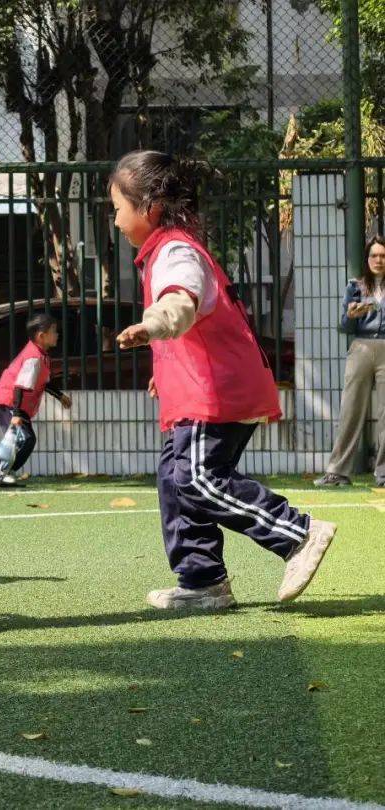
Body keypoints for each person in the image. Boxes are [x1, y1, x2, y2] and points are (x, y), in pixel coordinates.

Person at [111, 149, 336, 610]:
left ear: (150, 206)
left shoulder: (175, 250)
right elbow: (195, 328)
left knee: (197, 478)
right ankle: (202, 580)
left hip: (216, 391)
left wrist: (151, 325)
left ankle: (298, 533)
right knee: (177, 479)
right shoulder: (166, 250)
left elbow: (182, 302)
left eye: (118, 209)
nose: (115, 221)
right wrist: (165, 371)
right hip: (200, 389)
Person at [314, 235, 385, 488]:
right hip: (361, 346)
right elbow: (344, 326)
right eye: (374, 255)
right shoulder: (354, 286)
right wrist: (350, 315)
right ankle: (337, 472)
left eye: (383, 255)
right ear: (367, 259)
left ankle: (383, 474)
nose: (379, 260)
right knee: (350, 409)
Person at [0, 313, 71, 486]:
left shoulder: (42, 355)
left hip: (15, 404)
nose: (58, 335)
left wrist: (60, 396)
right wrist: (16, 413)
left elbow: (43, 382)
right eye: (54, 331)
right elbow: (19, 386)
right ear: (42, 336)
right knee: (20, 437)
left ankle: (4, 472)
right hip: (9, 401)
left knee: (25, 439)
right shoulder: (33, 358)